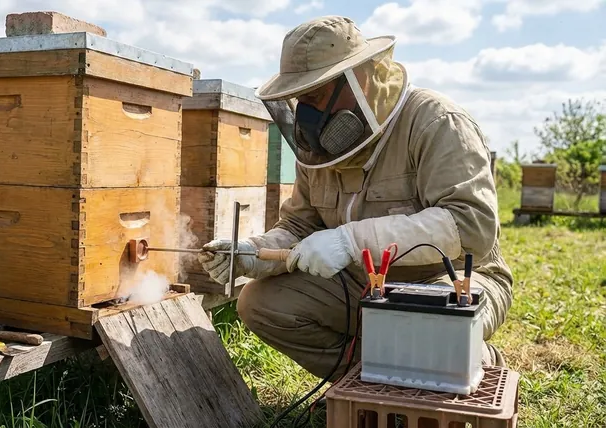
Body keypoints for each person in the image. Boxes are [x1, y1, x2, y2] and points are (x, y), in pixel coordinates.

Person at [197, 15, 514, 382]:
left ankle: (472, 360)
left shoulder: (436, 121)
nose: (308, 113)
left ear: (360, 77)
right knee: (262, 304)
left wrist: (351, 240)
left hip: (451, 280)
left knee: (426, 324)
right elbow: (299, 226)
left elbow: (470, 227)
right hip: (361, 284)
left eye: (315, 96)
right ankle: (376, 381)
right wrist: (253, 253)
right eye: (301, 99)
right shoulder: (317, 152)